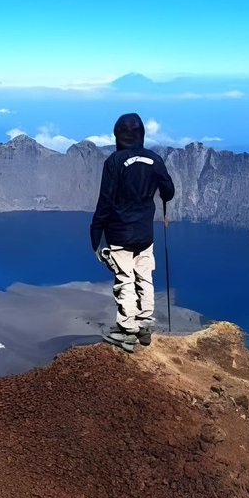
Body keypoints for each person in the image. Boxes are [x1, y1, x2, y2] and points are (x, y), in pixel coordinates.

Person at [90, 113, 176, 353]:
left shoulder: (114, 162)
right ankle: (144, 325)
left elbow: (105, 202)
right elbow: (168, 191)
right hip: (145, 235)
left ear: (119, 135)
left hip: (119, 235)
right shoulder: (155, 160)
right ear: (141, 134)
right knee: (145, 278)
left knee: (124, 280)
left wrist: (95, 233)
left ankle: (126, 330)